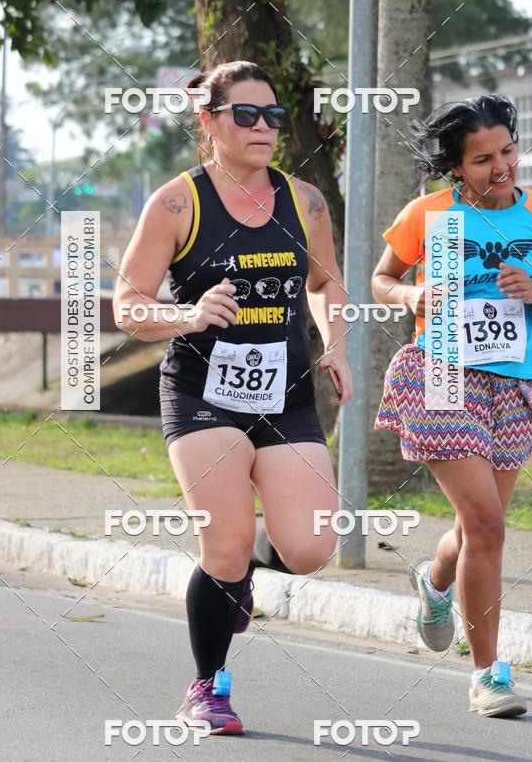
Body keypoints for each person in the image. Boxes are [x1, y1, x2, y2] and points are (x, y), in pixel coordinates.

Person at [113, 60, 352, 735]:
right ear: (210, 120)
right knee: (225, 543)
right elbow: (127, 304)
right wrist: (187, 316)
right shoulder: (176, 204)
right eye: (245, 115)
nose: (263, 128)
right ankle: (206, 689)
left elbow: (325, 282)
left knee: (309, 549)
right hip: (201, 392)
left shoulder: (304, 201)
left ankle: (243, 577)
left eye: (272, 116)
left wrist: (334, 342)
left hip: (286, 390)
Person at [372, 95, 532, 717]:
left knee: (476, 529)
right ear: (455, 167)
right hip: (443, 377)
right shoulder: (429, 216)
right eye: (482, 159)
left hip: (515, 383)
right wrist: (412, 294)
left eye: (507, 150)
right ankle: (489, 676)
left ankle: (433, 584)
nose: (501, 166)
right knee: (487, 526)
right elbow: (382, 279)